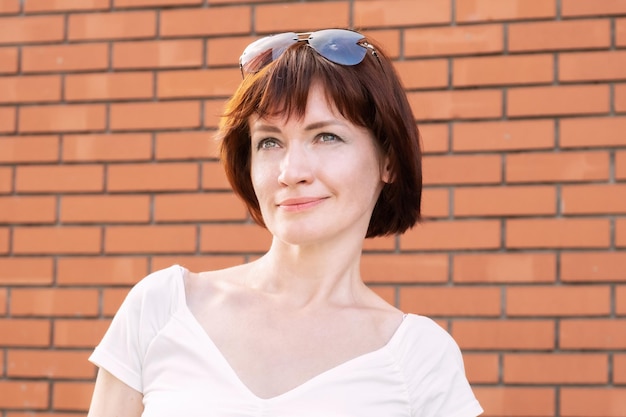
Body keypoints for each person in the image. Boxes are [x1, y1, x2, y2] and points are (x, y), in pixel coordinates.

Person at [87, 29, 483, 417]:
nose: (291, 172)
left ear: (388, 161)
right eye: (270, 142)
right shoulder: (164, 307)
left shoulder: (418, 357)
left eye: (326, 137)